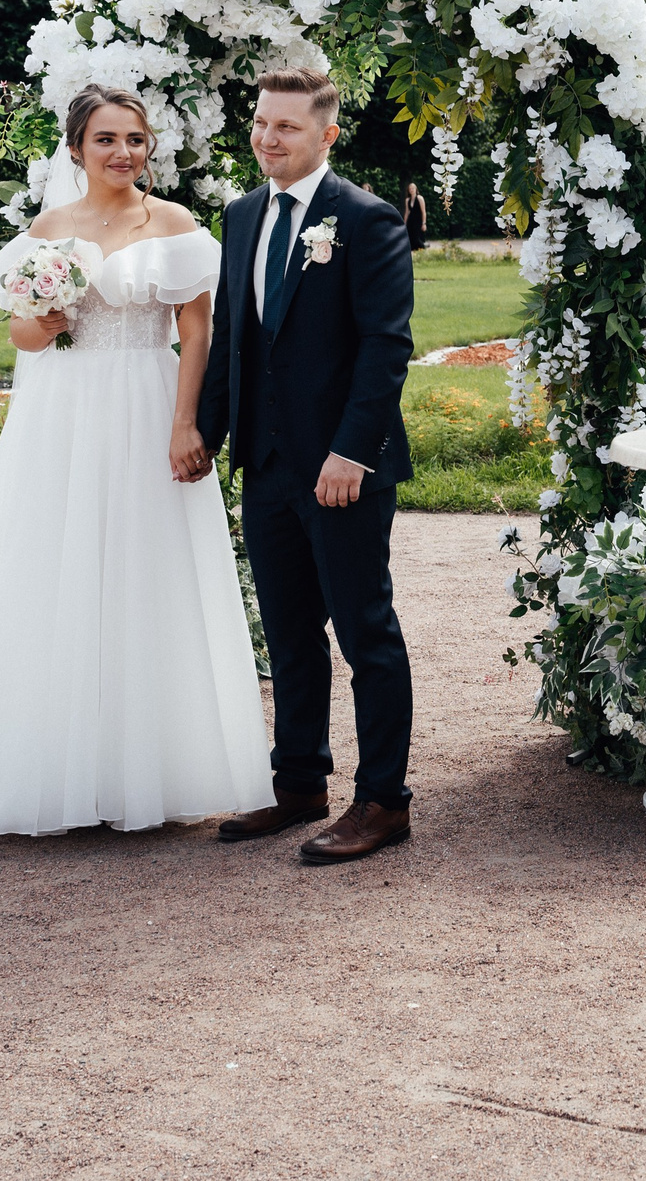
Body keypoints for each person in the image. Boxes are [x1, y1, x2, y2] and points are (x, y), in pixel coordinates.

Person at [0, 86, 275, 835]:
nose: (122, 153)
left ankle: (154, 767)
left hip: (147, 401)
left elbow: (198, 335)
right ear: (76, 149)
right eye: (106, 139)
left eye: (135, 139)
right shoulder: (49, 226)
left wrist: (185, 423)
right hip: (61, 415)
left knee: (147, 570)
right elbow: (20, 334)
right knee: (57, 567)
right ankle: (57, 765)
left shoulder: (175, 224)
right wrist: (44, 317)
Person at [197, 67, 419, 865]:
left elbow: (386, 346)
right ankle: (298, 783)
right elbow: (235, 336)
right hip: (267, 463)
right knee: (290, 634)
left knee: (366, 634)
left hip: (342, 468)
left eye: (286, 127)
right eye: (261, 122)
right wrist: (206, 433)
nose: (267, 137)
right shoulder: (241, 215)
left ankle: (384, 801)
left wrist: (351, 451)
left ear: (327, 135)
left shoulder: (365, 218)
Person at [401, 180, 428, 252]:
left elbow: (423, 212)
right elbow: (407, 212)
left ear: (416, 189)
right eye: (410, 189)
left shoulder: (420, 198)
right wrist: (404, 223)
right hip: (411, 220)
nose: (411, 190)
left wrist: (424, 223)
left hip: (418, 220)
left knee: (417, 238)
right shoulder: (407, 200)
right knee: (410, 237)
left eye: (413, 188)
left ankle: (422, 248)